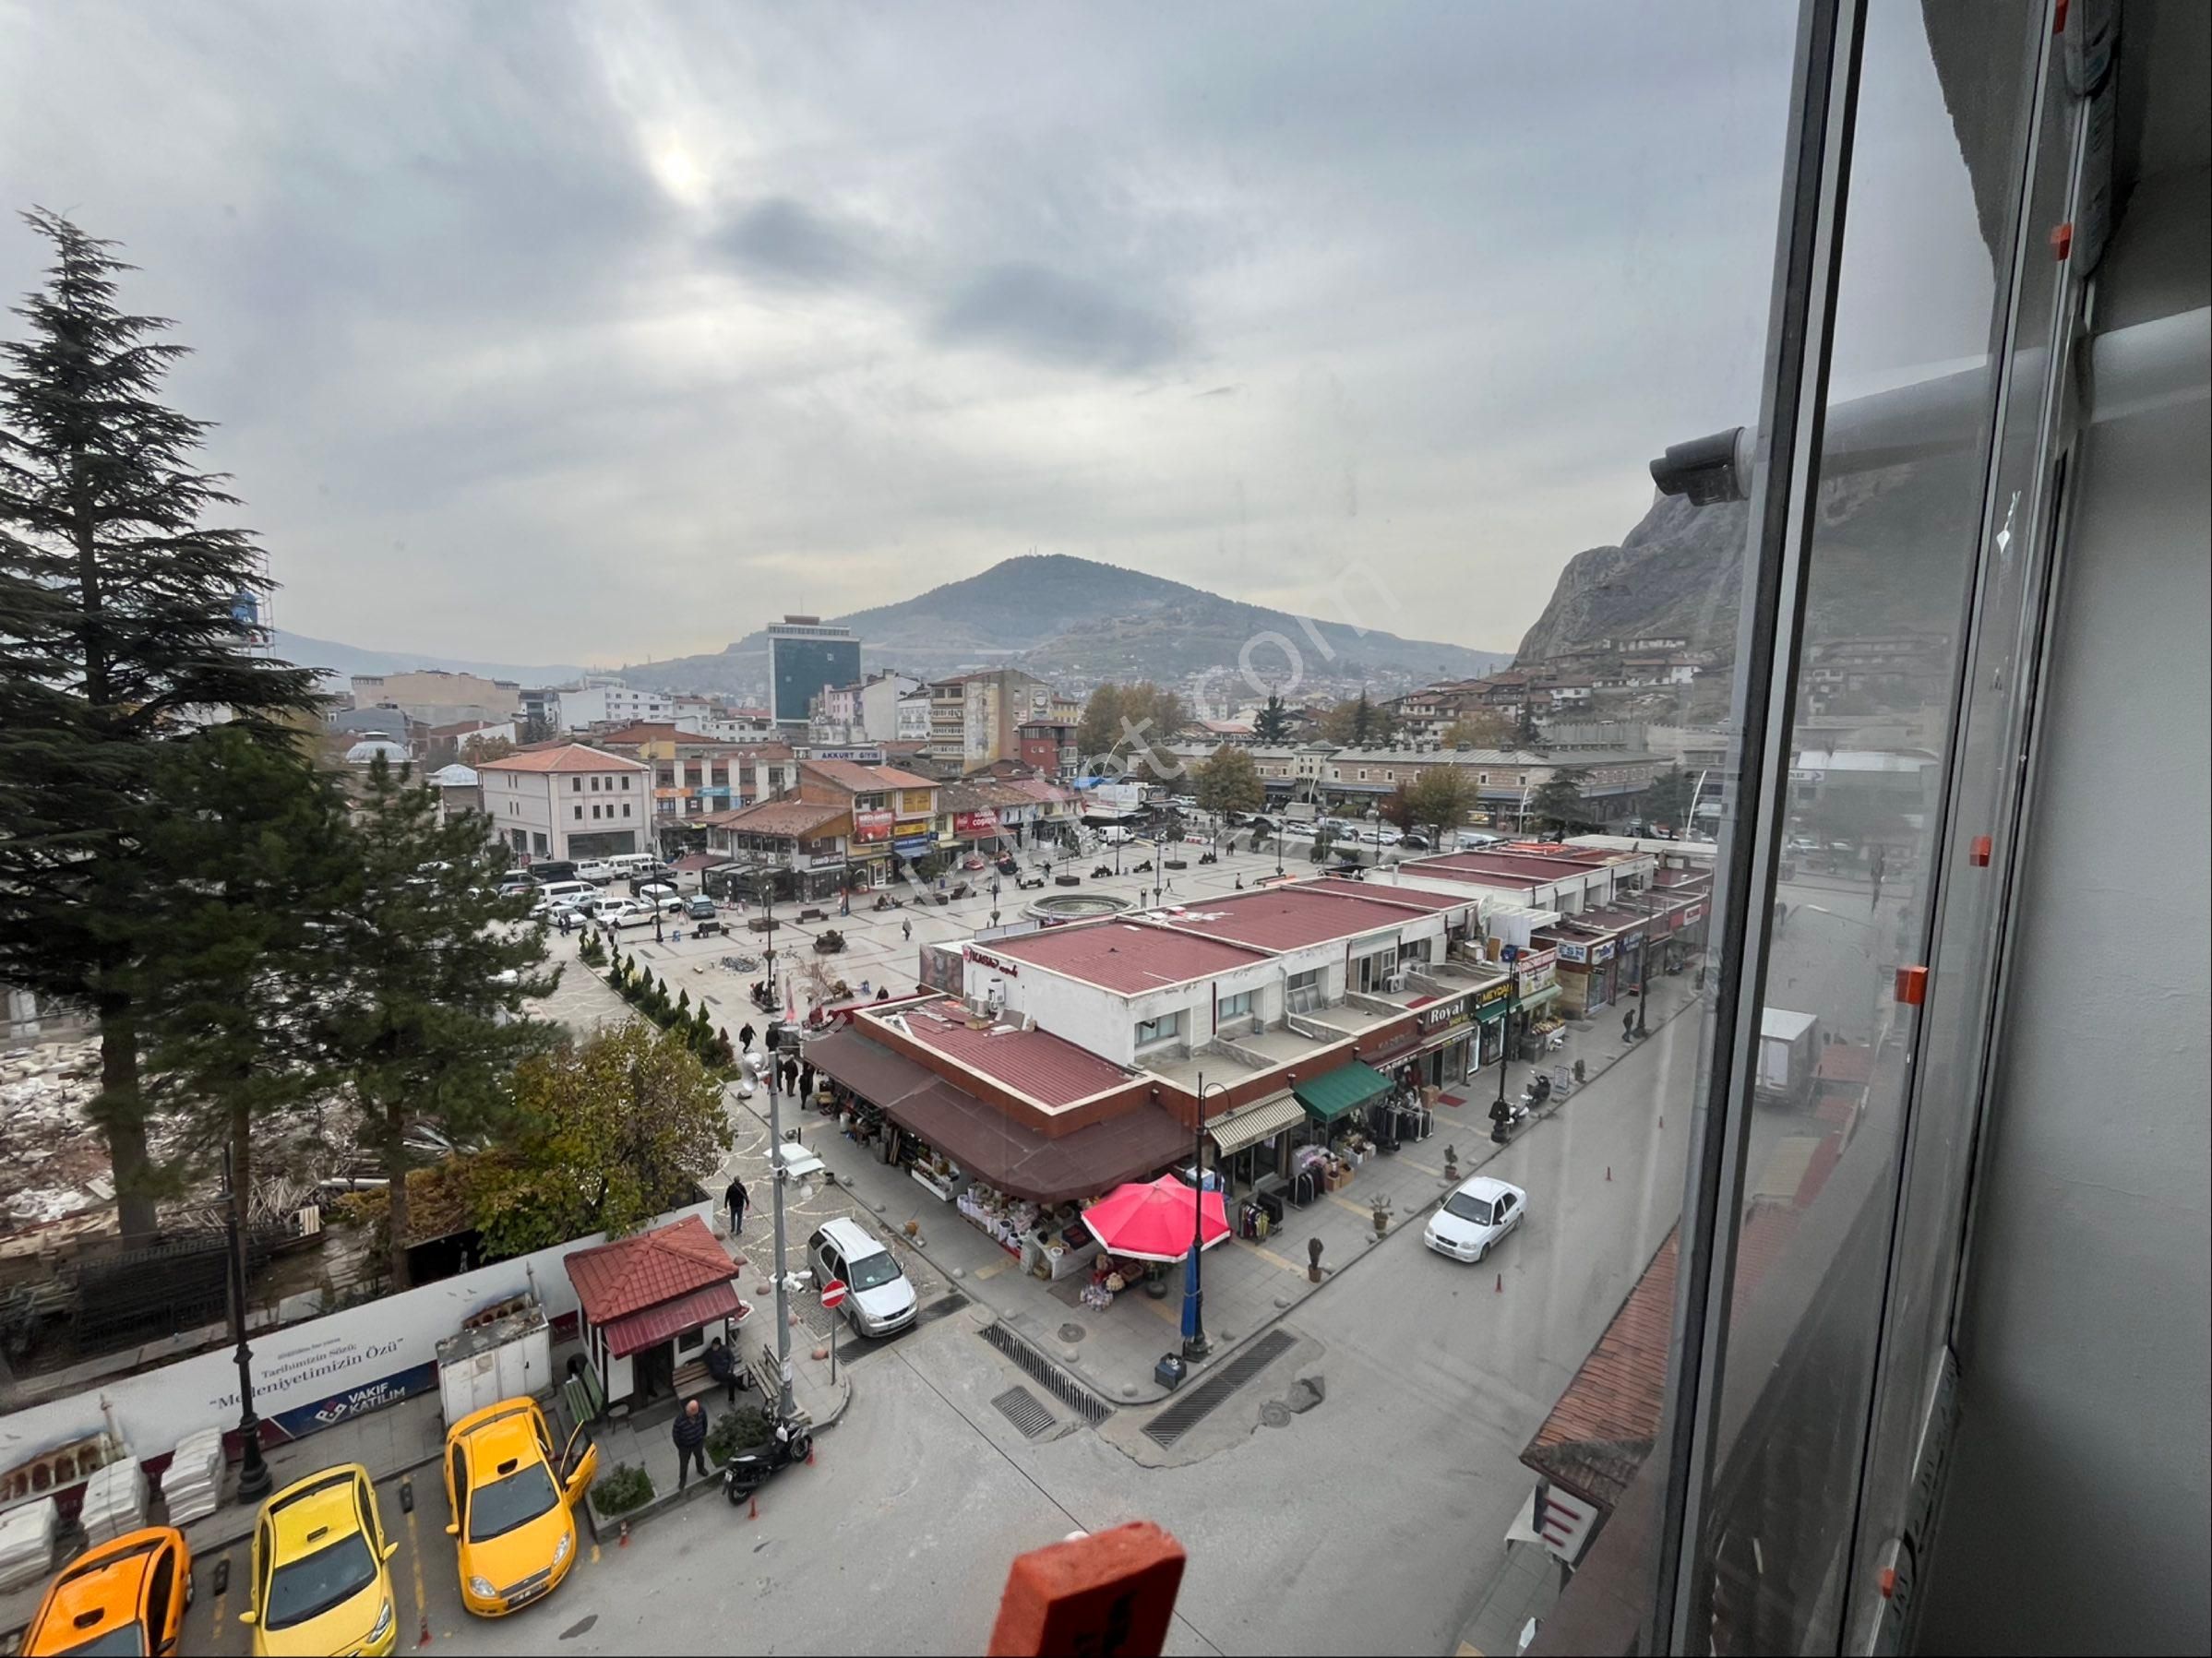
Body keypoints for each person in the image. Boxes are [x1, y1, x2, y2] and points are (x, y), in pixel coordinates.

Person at [673, 1398, 709, 1490]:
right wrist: (680, 1446)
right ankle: (682, 1480)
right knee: (684, 1464)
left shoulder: (701, 1412)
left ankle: (701, 1469)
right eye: (687, 1411)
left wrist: (702, 1435)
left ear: (695, 1412)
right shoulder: (680, 1420)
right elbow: (675, 1434)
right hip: (685, 1446)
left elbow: (705, 1423)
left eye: (689, 1412)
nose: (687, 1413)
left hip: (698, 1442)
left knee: (700, 1457)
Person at [704, 1336, 742, 1405]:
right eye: (713, 1345)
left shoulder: (725, 1349)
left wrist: (730, 1369)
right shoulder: (709, 1353)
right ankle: (740, 1386)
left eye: (715, 1346)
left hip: (726, 1371)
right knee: (732, 1378)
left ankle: (732, 1400)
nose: (713, 1347)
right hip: (717, 1374)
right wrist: (689, 1362)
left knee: (731, 1379)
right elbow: (700, 1358)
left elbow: (732, 1359)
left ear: (719, 1345)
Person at [723, 1173, 748, 1238]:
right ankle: (738, 1230)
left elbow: (727, 1196)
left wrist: (725, 1204)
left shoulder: (730, 1187)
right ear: (739, 1180)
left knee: (732, 1217)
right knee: (739, 1218)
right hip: (740, 1205)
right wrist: (747, 1204)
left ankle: (733, 1228)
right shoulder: (742, 1187)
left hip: (732, 1205)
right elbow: (745, 1196)